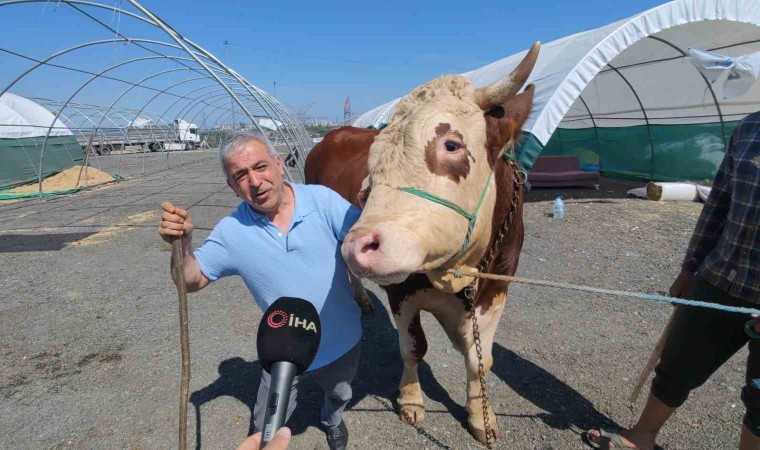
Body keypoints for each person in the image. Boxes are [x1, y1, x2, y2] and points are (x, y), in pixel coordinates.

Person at [158, 131, 364, 450]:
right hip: (284, 349)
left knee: (340, 393)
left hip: (343, 340)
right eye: (241, 175)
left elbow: (364, 238)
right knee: (266, 424)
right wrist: (182, 247)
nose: (255, 181)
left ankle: (332, 420)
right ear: (232, 186)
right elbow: (191, 280)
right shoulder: (231, 232)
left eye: (260, 166)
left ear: (279, 165)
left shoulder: (322, 201)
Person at [584, 110, 760, 449]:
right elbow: (718, 204)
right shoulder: (750, 127)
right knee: (677, 363)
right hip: (720, 275)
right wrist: (690, 268)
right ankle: (642, 437)